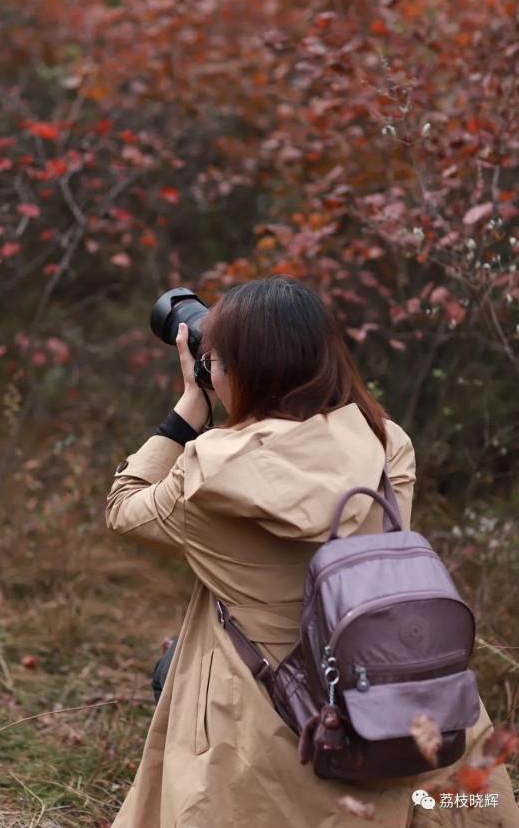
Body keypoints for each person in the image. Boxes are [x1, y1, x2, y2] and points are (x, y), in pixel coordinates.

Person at [106, 275, 519, 828]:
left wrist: (190, 407)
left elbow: (123, 507)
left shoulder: (205, 474)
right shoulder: (386, 444)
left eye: (218, 360)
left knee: (188, 660)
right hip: (398, 701)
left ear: (231, 372)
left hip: (279, 746)